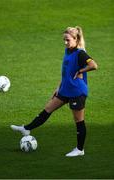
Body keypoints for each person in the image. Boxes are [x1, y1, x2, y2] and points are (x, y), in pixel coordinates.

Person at [10, 26, 98, 157]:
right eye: (64, 40)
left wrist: (80, 71)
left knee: (78, 121)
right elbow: (66, 72)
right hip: (65, 89)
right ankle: (26, 129)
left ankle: (80, 149)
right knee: (48, 108)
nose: (65, 42)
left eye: (67, 40)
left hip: (77, 92)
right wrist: (58, 87)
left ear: (76, 39)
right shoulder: (67, 51)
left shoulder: (80, 53)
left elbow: (94, 65)